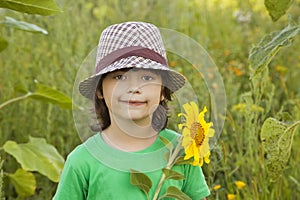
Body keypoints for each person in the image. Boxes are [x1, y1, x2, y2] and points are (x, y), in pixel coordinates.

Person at [53, 21, 210, 200]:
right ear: (99, 90)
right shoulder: (82, 161)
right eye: (120, 77)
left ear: (163, 91)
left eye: (146, 77)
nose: (134, 87)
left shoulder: (182, 151)